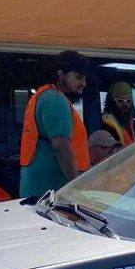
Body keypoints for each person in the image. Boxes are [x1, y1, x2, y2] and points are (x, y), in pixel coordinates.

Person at [19, 51, 91, 198]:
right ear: (60, 75)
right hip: (52, 191)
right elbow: (61, 148)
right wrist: (76, 186)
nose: (83, 84)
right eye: (78, 77)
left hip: (38, 189)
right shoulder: (55, 100)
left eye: (85, 78)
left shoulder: (44, 95)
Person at [101, 81, 135, 146]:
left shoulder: (128, 122)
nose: (125, 105)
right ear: (111, 102)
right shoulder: (107, 125)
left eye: (129, 101)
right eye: (120, 101)